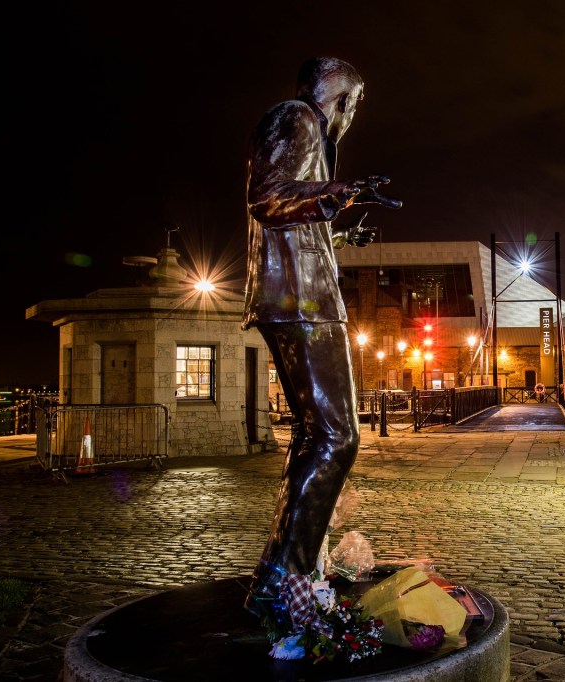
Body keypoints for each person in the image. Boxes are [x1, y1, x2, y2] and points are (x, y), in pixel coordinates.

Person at [241, 56, 402, 616]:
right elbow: (269, 196)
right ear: (340, 99)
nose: (352, 116)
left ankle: (285, 573)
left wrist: (344, 199)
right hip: (301, 300)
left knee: (315, 437)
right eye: (354, 104)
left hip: (294, 296)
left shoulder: (300, 126)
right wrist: (337, 191)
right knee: (337, 437)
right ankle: (286, 578)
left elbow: (292, 202)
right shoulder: (298, 119)